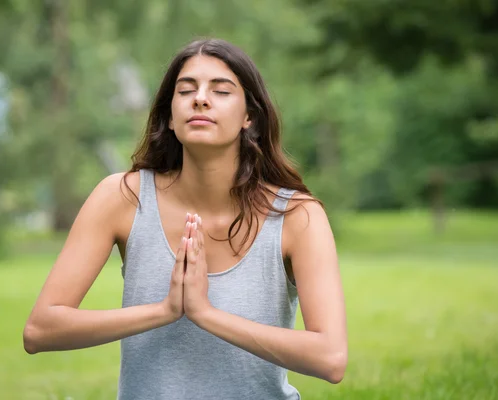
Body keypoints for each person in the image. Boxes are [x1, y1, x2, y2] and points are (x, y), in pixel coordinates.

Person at [23, 38, 347, 400]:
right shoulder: (121, 198)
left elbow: (331, 358)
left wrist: (206, 314)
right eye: (186, 89)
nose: (201, 98)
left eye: (221, 91)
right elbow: (40, 330)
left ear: (249, 117)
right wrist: (164, 311)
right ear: (170, 117)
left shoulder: (297, 216)